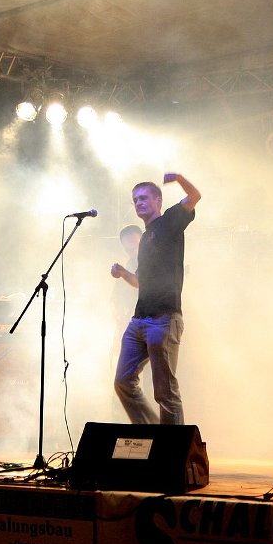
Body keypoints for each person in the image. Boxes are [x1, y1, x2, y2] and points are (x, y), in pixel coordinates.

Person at [110, 173, 201, 424]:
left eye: (143, 198)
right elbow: (139, 281)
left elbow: (195, 196)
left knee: (165, 391)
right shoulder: (144, 241)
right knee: (123, 381)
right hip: (139, 319)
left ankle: (170, 446)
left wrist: (179, 178)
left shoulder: (170, 221)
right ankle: (150, 433)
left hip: (164, 318)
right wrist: (123, 273)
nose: (138, 203)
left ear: (158, 200)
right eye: (135, 200)